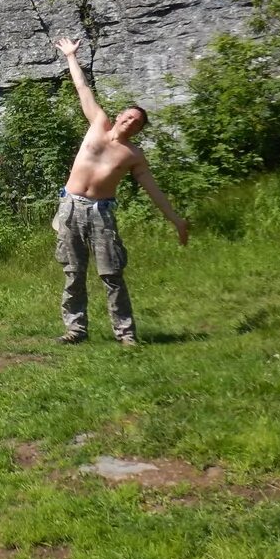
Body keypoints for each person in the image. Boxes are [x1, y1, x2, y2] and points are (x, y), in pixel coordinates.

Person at [52, 36, 189, 346]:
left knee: (111, 274)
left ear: (139, 130)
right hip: (70, 207)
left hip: (101, 213)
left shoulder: (133, 155)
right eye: (127, 116)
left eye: (136, 122)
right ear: (118, 117)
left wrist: (176, 220)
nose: (129, 121)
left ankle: (125, 335)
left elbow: (153, 190)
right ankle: (76, 330)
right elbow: (82, 89)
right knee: (73, 272)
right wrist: (71, 56)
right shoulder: (97, 123)